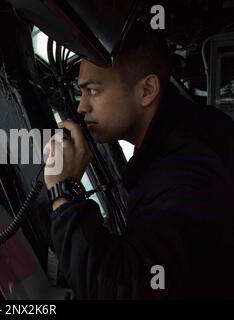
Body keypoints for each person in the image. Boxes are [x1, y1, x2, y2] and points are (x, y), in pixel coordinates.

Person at [44, 22, 234, 299]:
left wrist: (62, 193)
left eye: (93, 91)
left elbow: (123, 292)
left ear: (146, 90)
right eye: (80, 92)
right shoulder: (193, 132)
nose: (82, 106)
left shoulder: (183, 173)